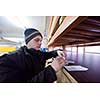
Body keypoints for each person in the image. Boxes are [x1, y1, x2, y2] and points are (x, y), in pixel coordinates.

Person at [0, 28, 66, 83]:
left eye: (41, 40)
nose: (40, 43)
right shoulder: (10, 60)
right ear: (28, 41)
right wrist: (51, 69)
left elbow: (48, 54)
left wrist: (57, 52)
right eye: (37, 40)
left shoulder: (37, 53)